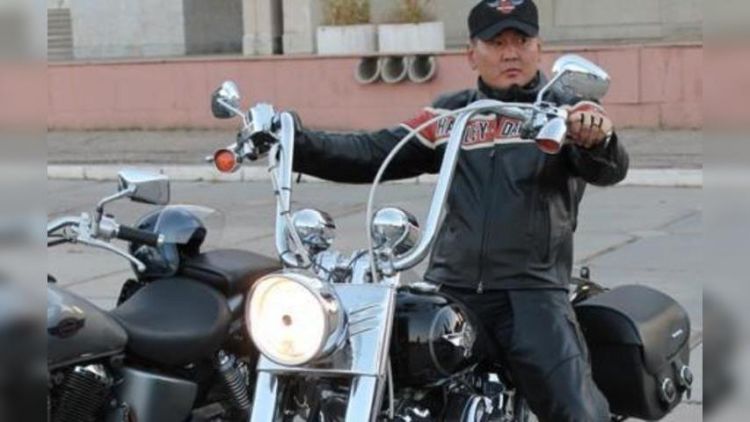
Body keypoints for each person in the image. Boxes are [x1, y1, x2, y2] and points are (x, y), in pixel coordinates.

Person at [292, 1, 627, 420]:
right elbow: (374, 152)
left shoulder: (563, 113)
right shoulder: (451, 116)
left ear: (539, 48)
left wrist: (598, 139)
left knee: (575, 410)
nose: (510, 53)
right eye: (496, 42)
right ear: (472, 54)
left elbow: (608, 167)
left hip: (530, 292)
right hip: (451, 287)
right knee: (376, 382)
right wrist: (294, 142)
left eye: (521, 40)